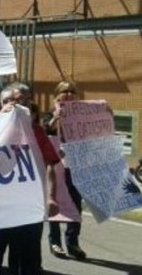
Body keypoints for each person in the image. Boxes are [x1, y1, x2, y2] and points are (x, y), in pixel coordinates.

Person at [0, 83, 60, 275]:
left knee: (28, 263)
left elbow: (50, 164)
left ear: (28, 103)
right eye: (7, 101)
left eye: (18, 101)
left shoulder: (37, 131)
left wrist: (50, 197)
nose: (12, 105)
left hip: (28, 207)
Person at [43, 80, 87, 260]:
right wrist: (56, 117)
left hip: (76, 166)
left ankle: (72, 243)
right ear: (57, 95)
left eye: (72, 91)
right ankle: (55, 242)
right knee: (56, 202)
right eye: (64, 91)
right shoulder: (50, 113)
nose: (68, 94)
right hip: (56, 166)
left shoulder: (82, 115)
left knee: (76, 205)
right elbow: (46, 129)